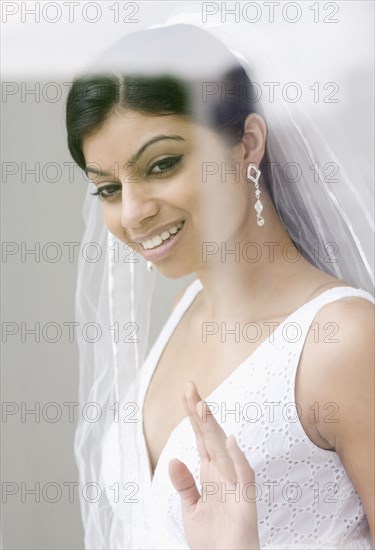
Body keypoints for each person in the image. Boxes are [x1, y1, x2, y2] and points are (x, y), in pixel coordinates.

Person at [65, 17, 374, 550]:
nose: (134, 213)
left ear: (248, 143)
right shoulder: (185, 313)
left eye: (162, 164)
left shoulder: (344, 343)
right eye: (109, 189)